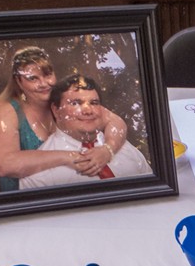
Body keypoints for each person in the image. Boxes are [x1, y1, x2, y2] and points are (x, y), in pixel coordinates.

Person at [0, 47, 128, 191]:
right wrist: (68, 157)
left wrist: (107, 150)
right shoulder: (8, 112)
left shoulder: (63, 104)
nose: (43, 83)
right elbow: (4, 165)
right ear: (19, 82)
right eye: (33, 78)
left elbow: (116, 123)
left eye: (47, 75)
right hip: (26, 198)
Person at [20, 74, 150, 190]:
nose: (88, 111)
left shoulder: (125, 149)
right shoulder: (38, 173)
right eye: (76, 103)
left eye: (94, 103)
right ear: (56, 110)